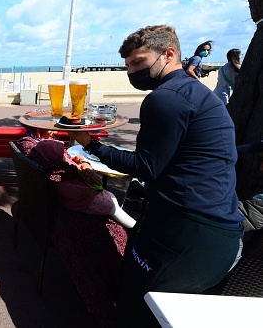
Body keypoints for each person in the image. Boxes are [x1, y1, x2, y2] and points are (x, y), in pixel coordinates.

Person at [70, 25, 244, 327]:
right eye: (127, 66)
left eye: (138, 62)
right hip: (218, 228)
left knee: (136, 309)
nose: (132, 72)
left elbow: (144, 166)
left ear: (169, 54)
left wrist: (91, 144)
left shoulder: (166, 99)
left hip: (187, 229)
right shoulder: (197, 92)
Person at [16, 134, 136, 228]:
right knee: (111, 207)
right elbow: (68, 191)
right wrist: (85, 191)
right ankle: (134, 226)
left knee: (111, 196)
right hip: (83, 200)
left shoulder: (61, 163)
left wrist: (78, 160)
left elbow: (69, 161)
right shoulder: (59, 176)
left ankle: (123, 218)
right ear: (55, 159)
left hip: (89, 192)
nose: (65, 154)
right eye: (61, 153)